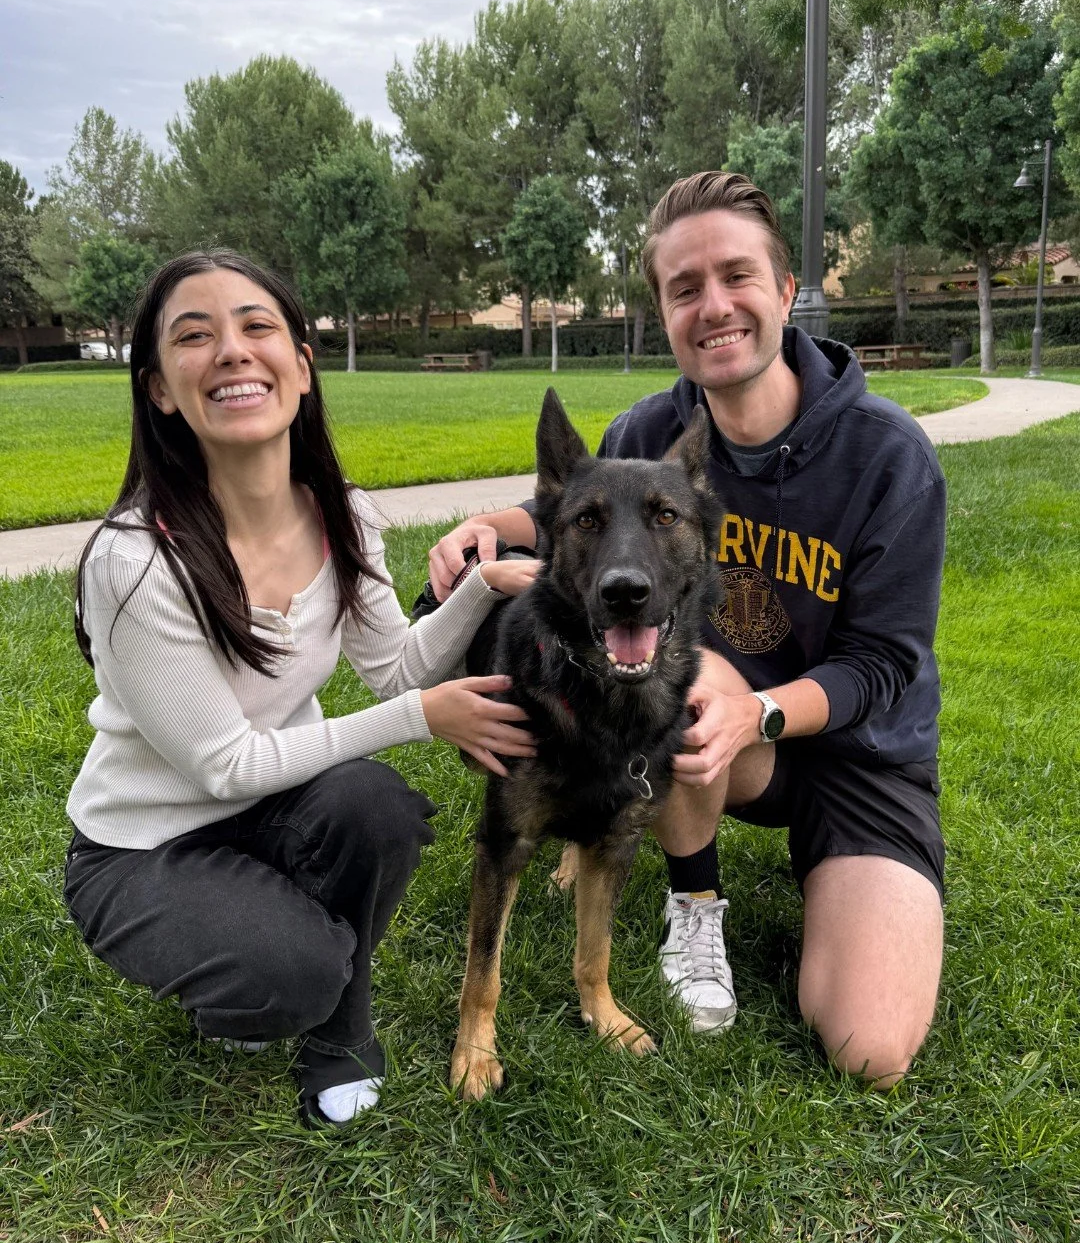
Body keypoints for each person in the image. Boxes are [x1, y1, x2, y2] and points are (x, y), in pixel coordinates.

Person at [428, 172, 947, 1089]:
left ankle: (840, 873)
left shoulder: (888, 455)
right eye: (683, 289)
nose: (714, 307)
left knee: (872, 1050)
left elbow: (885, 664)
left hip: (860, 753)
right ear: (664, 313)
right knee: (685, 684)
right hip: (714, 737)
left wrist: (766, 711)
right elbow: (578, 503)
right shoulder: (653, 427)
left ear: (787, 291)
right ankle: (694, 900)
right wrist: (489, 528)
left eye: (736, 276)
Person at [64, 250, 540, 1128]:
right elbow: (223, 766)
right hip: (141, 847)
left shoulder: (342, 514)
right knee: (295, 970)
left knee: (378, 809)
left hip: (275, 803)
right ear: (161, 387)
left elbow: (396, 665)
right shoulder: (136, 562)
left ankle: (340, 1032)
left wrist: (478, 588)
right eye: (194, 337)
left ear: (302, 365)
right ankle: (269, 985)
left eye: (257, 328)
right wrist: (422, 719)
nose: (234, 352)